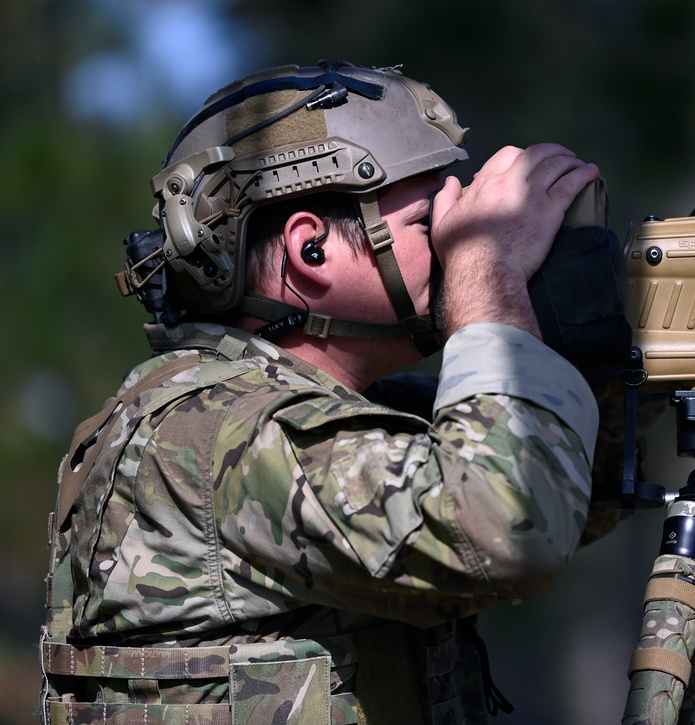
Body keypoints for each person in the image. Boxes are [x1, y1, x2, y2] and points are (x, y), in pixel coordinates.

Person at [38, 61, 625, 724]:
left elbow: (574, 495)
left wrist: (593, 333)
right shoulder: (216, 433)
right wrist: (486, 272)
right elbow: (508, 527)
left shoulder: (341, 415)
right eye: (433, 221)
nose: (455, 241)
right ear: (310, 249)